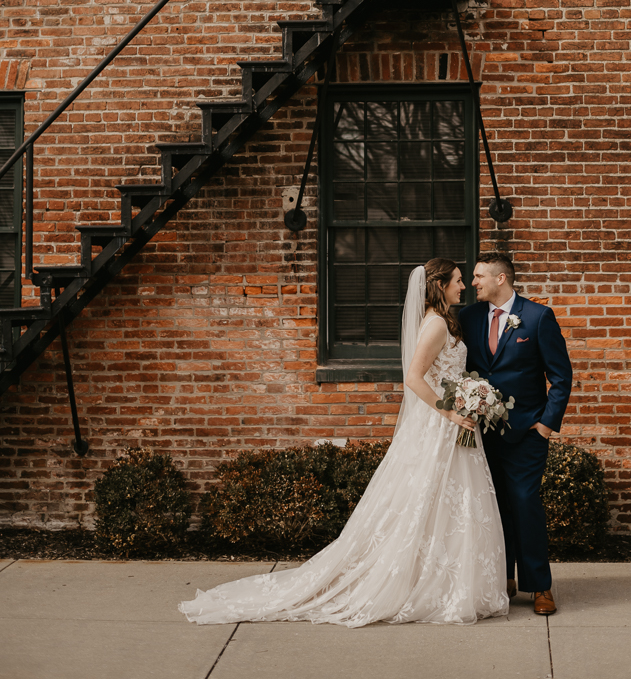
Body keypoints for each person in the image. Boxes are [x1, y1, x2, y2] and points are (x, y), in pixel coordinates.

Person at [179, 258, 509, 628]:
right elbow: (414, 379)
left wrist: (468, 397)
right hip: (441, 426)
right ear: (439, 285)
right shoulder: (434, 325)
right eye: (458, 281)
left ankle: (447, 582)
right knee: (425, 503)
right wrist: (449, 412)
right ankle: (425, 585)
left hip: (455, 427)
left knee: (445, 506)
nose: (463, 287)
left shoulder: (445, 322)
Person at [459, 251, 572, 616]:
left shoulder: (538, 317)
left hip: (526, 434)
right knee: (492, 507)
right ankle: (502, 579)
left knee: (525, 505)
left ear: (501, 278)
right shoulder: (469, 317)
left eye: (478, 276)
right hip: (480, 434)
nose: (473, 282)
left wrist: (545, 427)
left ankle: (539, 585)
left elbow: (561, 376)